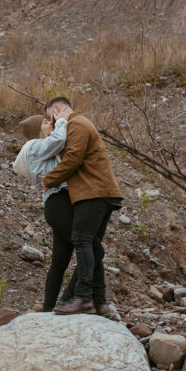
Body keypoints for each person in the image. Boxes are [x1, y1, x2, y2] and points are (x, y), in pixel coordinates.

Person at [41, 96, 123, 315]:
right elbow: (69, 154)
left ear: (57, 109)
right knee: (89, 244)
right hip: (100, 192)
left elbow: (73, 158)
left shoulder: (77, 123)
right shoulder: (80, 125)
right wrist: (50, 135)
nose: (52, 121)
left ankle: (83, 298)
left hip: (93, 193)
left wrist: (48, 179)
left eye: (51, 117)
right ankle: (100, 302)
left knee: (82, 240)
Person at [13, 112, 75, 312]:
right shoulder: (36, 146)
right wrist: (64, 120)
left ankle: (48, 309)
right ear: (37, 129)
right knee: (91, 250)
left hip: (58, 205)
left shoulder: (42, 148)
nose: (52, 124)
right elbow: (59, 139)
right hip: (58, 204)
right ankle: (67, 300)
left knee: (60, 261)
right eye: (46, 122)